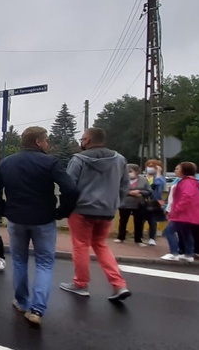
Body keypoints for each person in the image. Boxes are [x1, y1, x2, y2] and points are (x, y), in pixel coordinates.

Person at [0, 126, 78, 326]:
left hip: (16, 220)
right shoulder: (50, 162)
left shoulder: (7, 162)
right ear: (38, 142)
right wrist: (61, 212)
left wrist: (4, 209)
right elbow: (70, 189)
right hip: (44, 220)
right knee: (44, 263)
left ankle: (21, 301)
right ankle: (37, 309)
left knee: (19, 261)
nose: (48, 144)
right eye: (46, 140)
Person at [58, 128, 131, 301]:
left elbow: (69, 185)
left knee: (81, 245)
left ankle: (81, 284)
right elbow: (124, 186)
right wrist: (114, 204)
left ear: (88, 140)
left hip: (82, 210)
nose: (81, 142)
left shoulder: (78, 160)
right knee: (101, 245)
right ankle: (119, 285)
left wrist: (65, 208)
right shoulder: (120, 159)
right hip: (107, 210)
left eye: (82, 139)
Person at [161, 162, 199, 262]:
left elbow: (186, 197)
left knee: (169, 231)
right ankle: (189, 254)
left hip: (183, 214)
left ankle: (174, 253)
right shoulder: (190, 182)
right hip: (190, 213)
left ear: (184, 171)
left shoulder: (186, 182)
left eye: (177, 168)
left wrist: (177, 209)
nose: (175, 170)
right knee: (186, 232)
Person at [115, 164, 151, 246]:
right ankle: (121, 237)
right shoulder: (122, 180)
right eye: (127, 172)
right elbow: (118, 190)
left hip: (138, 204)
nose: (128, 173)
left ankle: (138, 240)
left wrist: (140, 192)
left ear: (137, 172)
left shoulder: (143, 180)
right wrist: (130, 193)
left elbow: (149, 191)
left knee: (138, 222)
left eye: (130, 171)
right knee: (123, 221)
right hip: (124, 203)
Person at [144, 159, 166, 246]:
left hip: (154, 203)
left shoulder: (160, 178)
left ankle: (152, 238)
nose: (149, 168)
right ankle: (138, 237)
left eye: (152, 166)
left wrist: (158, 173)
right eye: (148, 166)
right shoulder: (143, 177)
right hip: (142, 202)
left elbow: (158, 184)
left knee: (152, 221)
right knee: (140, 220)